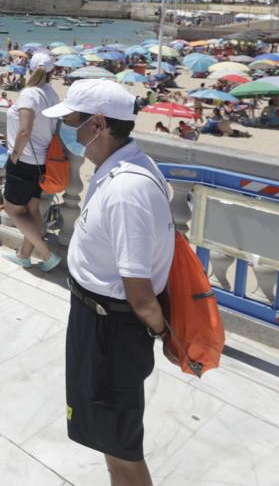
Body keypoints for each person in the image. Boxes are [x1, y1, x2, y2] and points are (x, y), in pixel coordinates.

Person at [41, 80, 177, 486]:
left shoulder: (126, 190)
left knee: (121, 451)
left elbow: (140, 292)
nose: (66, 128)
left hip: (111, 331)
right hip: (96, 321)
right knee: (106, 437)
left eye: (71, 121)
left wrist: (161, 332)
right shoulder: (120, 166)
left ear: (97, 125)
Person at [0, 53, 62, 270]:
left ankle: (47, 254)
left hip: (24, 160)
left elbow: (24, 130)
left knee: (13, 209)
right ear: (52, 72)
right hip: (41, 162)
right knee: (32, 210)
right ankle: (24, 255)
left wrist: (14, 155)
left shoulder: (29, 94)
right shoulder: (52, 94)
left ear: (29, 68)